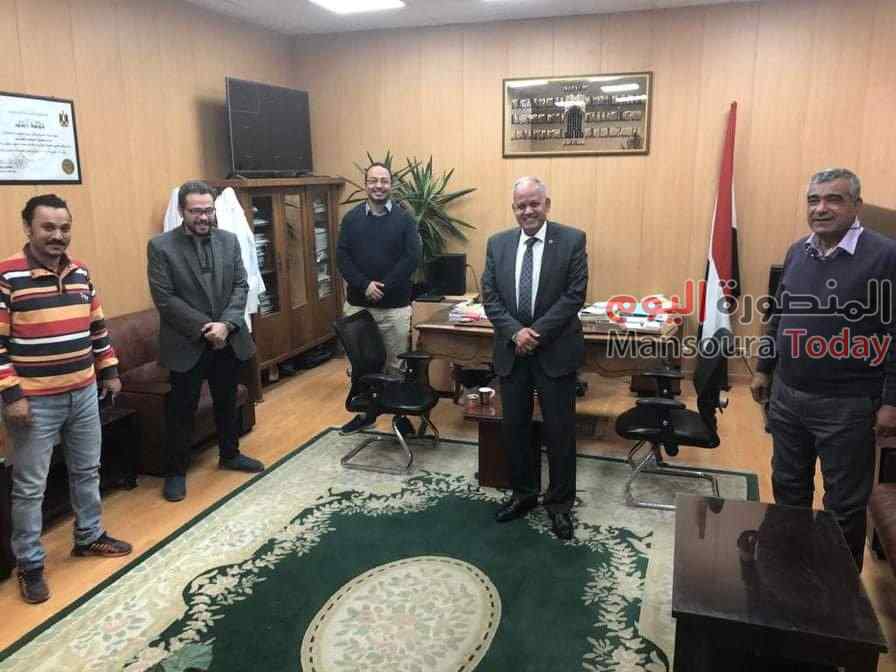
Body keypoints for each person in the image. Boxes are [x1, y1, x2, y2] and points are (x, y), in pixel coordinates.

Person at [751, 168, 896, 571]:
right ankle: (792, 572)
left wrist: (891, 402)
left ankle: (840, 591)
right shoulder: (798, 251)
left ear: (856, 205)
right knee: (788, 487)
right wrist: (763, 368)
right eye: (813, 200)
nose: (821, 208)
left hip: (848, 406)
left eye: (834, 199)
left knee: (844, 504)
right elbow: (778, 315)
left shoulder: (886, 256)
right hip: (788, 397)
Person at [0, 194, 132, 604]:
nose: (57, 235)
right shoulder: (7, 276)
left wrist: (109, 371)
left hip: (83, 392)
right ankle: (30, 564)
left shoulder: (80, 272)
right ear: (28, 228)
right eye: (48, 227)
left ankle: (89, 536)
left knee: (87, 470)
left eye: (64, 228)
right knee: (29, 487)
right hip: (34, 402)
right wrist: (12, 396)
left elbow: (97, 327)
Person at [481, 176, 588, 540]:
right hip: (512, 352)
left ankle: (559, 506)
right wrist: (516, 333)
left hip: (555, 350)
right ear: (514, 208)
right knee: (516, 429)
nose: (527, 211)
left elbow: (574, 295)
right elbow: (490, 296)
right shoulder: (497, 244)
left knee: (560, 432)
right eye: (521, 205)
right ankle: (524, 494)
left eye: (534, 203)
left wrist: (534, 333)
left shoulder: (572, 240)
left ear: (547, 204)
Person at [148, 180, 264, 503]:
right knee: (181, 410)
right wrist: (205, 328)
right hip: (187, 342)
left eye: (208, 210)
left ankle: (230, 454)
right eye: (196, 211)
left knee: (226, 399)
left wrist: (225, 325)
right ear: (182, 211)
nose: (203, 217)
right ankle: (176, 472)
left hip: (227, 338)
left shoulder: (228, 240)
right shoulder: (160, 247)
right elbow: (165, 299)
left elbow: (240, 286)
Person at [336, 162, 421, 435]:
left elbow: (412, 257)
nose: (378, 186)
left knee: (396, 364)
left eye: (384, 181)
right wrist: (365, 285)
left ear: (391, 185)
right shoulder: (351, 219)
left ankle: (399, 417)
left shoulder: (405, 219)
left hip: (394, 307)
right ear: (365, 184)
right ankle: (366, 415)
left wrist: (384, 286)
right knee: (361, 365)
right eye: (373, 181)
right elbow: (342, 257)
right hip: (358, 307)